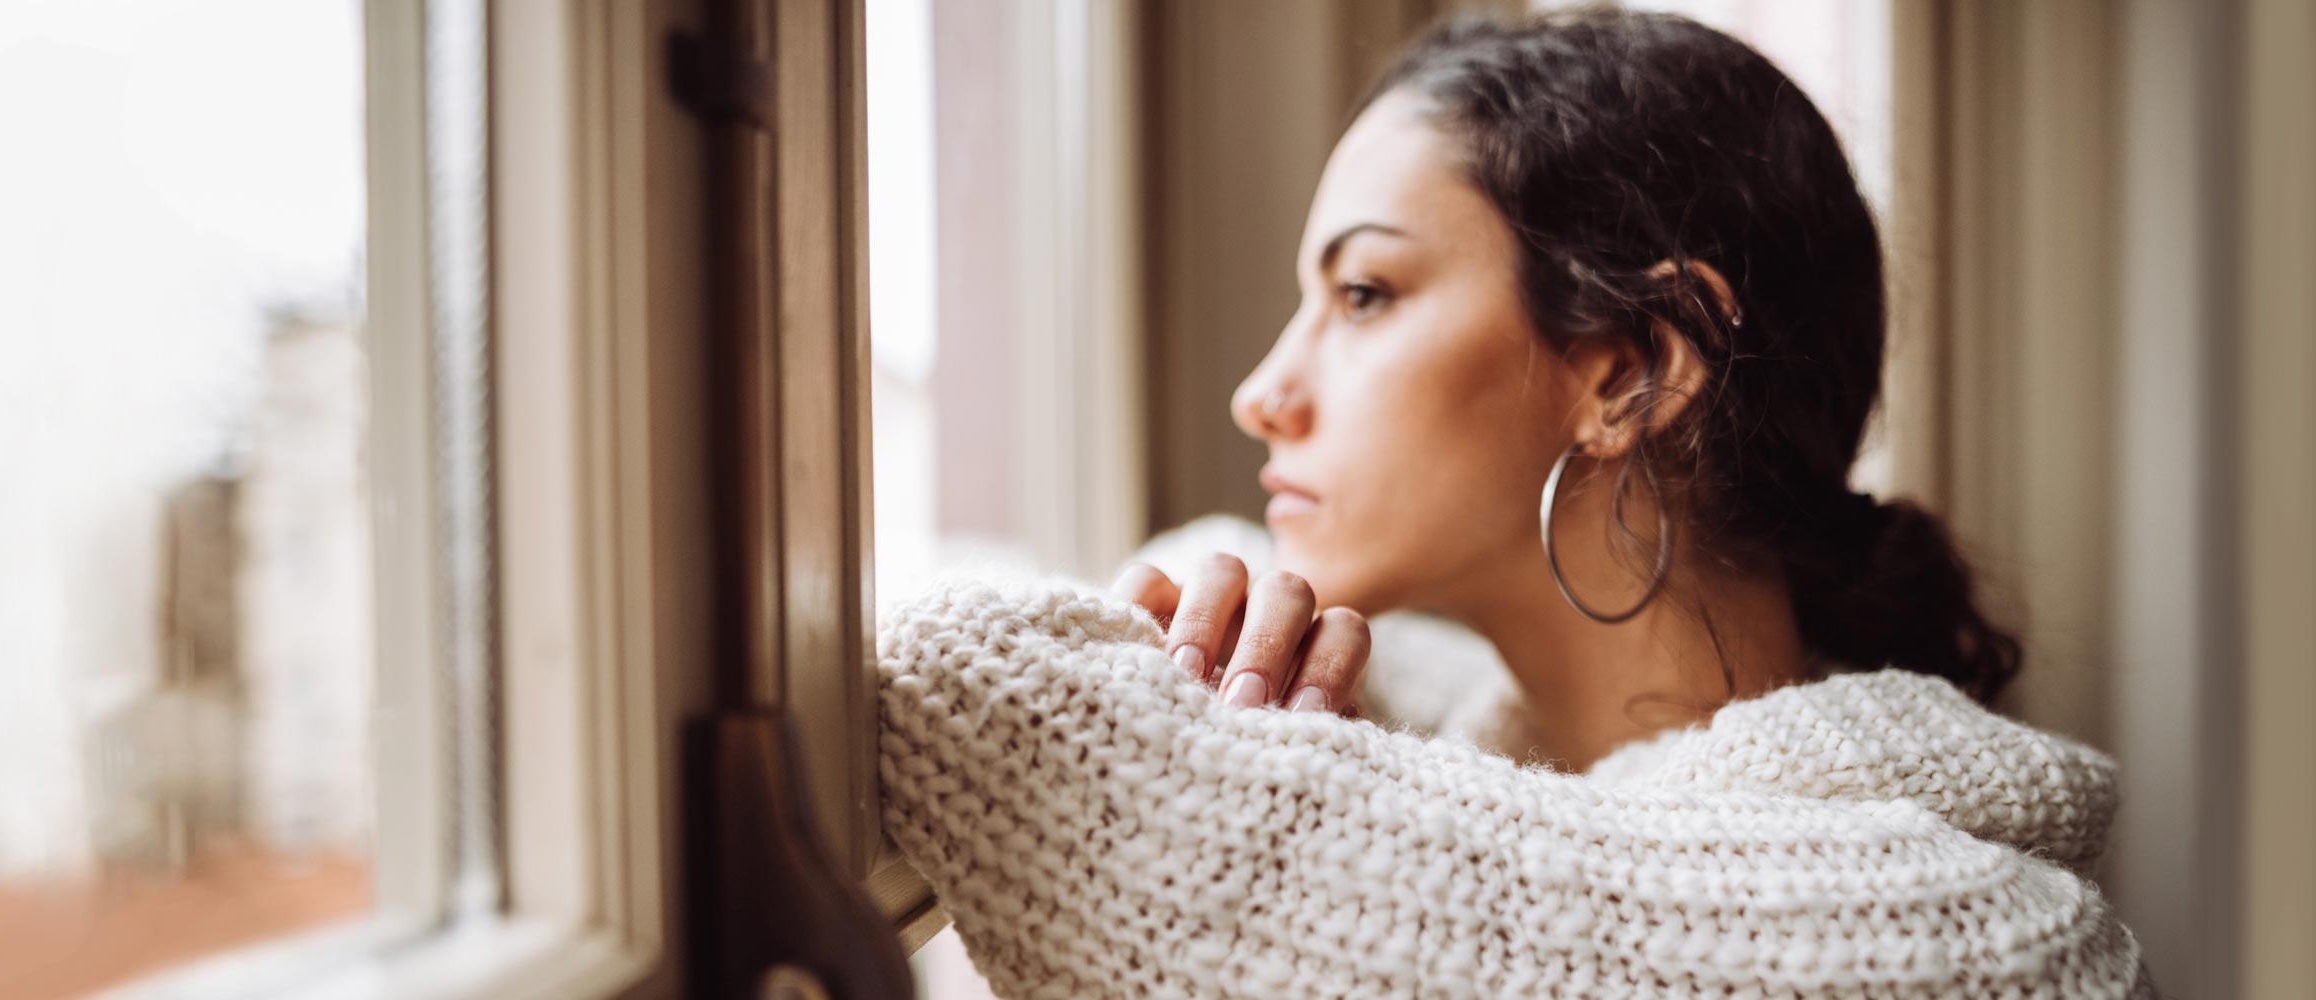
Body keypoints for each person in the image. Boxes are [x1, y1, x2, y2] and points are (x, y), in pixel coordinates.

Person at [877, 8, 2155, 997]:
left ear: (1625, 372)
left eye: (1363, 294)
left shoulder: (1960, 940)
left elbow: (974, 687)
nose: (1261, 391)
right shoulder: (1440, 781)